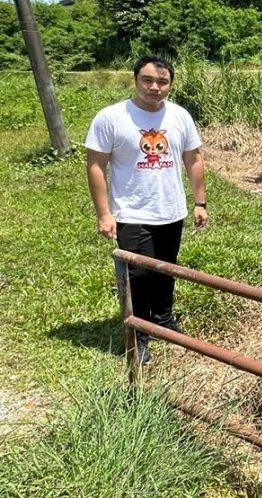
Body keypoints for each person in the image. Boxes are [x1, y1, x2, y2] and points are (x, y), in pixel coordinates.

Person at [85, 55, 208, 364]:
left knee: (167, 269)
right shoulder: (112, 117)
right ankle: (140, 334)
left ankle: (163, 321)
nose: (155, 87)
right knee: (138, 275)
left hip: (171, 209)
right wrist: (103, 213)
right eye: (148, 80)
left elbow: (193, 159)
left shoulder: (179, 116)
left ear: (171, 84)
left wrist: (200, 201)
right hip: (130, 212)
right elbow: (96, 166)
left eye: (162, 82)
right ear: (135, 80)